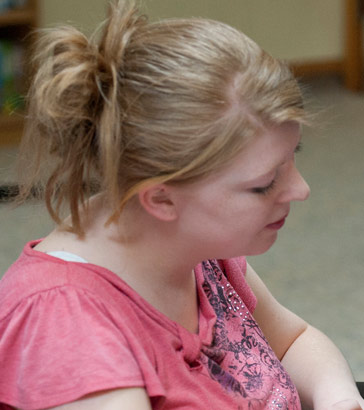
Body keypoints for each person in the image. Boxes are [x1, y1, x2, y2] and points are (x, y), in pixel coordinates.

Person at [0, 1, 362, 409]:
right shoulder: (69, 327)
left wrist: (339, 398)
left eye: (293, 155)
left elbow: (292, 342)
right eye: (264, 184)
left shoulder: (194, 247)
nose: (301, 189)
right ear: (161, 197)